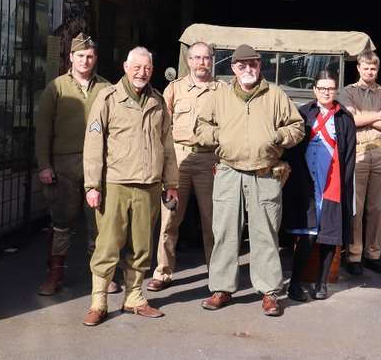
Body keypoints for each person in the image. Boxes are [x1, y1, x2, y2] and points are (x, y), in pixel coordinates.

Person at [194, 44, 304, 317]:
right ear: (233, 68)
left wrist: (278, 138)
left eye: (252, 64)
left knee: (265, 233)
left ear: (259, 65)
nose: (247, 70)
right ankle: (222, 288)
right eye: (241, 66)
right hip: (229, 170)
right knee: (225, 231)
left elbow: (297, 126)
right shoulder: (220, 96)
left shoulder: (275, 95)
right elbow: (200, 127)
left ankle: (269, 292)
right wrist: (220, 137)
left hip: (264, 172)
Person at [81, 47, 179, 326]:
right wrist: (92, 185)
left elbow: (168, 146)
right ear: (125, 67)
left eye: (147, 68)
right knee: (108, 244)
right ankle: (98, 301)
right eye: (136, 67)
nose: (142, 73)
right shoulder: (108, 98)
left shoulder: (158, 101)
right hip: (115, 183)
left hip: (148, 186)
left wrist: (171, 182)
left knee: (141, 247)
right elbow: (93, 144)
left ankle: (134, 297)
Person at [34, 32, 117, 296]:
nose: (85, 60)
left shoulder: (107, 89)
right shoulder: (56, 88)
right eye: (80, 55)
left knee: (99, 222)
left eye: (90, 56)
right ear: (71, 57)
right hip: (63, 167)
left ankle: (101, 277)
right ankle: (55, 274)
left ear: (96, 59)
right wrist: (44, 165)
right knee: (61, 222)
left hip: (98, 167)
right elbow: (43, 130)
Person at [147, 42, 221, 291]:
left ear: (212, 61)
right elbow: (161, 127)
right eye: (196, 58)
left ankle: (217, 273)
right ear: (188, 61)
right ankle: (163, 271)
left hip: (209, 159)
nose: (201, 63)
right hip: (177, 159)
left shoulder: (222, 91)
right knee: (169, 218)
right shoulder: (174, 89)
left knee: (213, 220)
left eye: (206, 58)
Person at [283, 71, 356, 301]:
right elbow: (292, 150)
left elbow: (349, 157)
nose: (326, 92)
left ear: (336, 90)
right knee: (308, 234)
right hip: (306, 181)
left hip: (332, 181)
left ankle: (321, 283)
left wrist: (344, 186)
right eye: (322, 88)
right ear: (314, 89)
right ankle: (295, 283)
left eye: (330, 88)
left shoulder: (344, 118)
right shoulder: (303, 114)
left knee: (330, 233)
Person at [339, 50, 381, 275]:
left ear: (378, 69)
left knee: (377, 207)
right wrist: (378, 116)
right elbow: (351, 120)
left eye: (373, 69)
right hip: (357, 151)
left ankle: (373, 254)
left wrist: (370, 119)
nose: (369, 72)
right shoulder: (347, 92)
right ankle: (354, 255)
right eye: (366, 68)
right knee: (356, 206)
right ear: (358, 68)